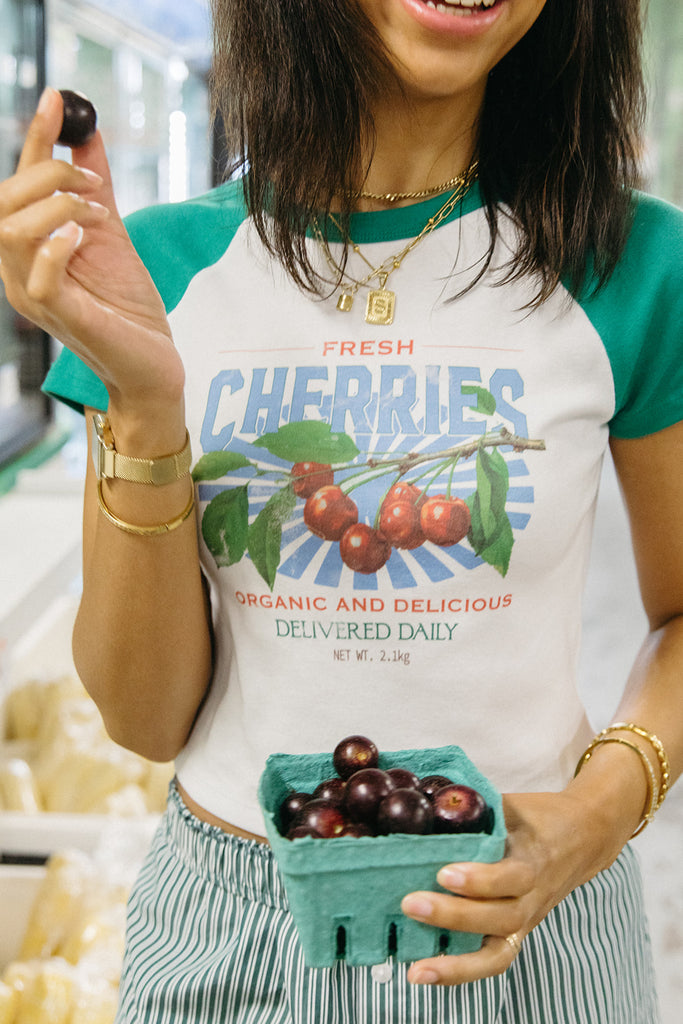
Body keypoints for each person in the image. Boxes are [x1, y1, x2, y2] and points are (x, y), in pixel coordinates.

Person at [0, 0, 681, 1020]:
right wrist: (146, 408)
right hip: (232, 930)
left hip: (522, 918)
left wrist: (601, 806)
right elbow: (144, 719)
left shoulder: (630, 262)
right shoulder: (161, 266)